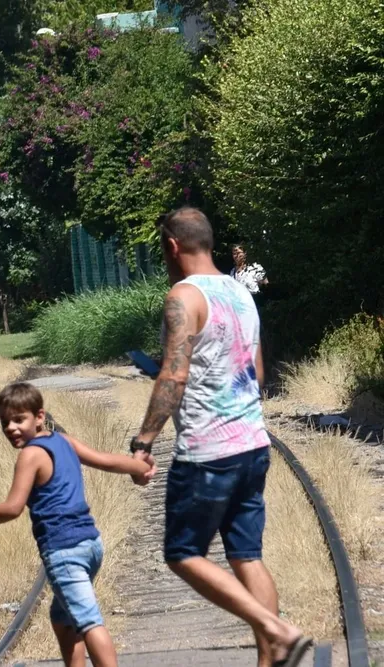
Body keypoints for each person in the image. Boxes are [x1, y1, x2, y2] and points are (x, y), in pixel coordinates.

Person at [129, 207, 311, 667]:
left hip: (208, 453)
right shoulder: (240, 292)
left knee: (182, 553)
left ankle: (276, 629)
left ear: (172, 246)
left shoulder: (183, 297)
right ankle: (272, 659)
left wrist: (144, 440)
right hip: (252, 443)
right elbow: (257, 372)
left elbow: (174, 376)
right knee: (246, 556)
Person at [0, 382, 152, 667]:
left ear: (39, 417)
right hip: (91, 545)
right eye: (5, 422)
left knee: (88, 621)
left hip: (64, 551)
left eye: (19, 419)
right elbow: (105, 460)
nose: (11, 428)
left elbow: (13, 507)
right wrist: (141, 467)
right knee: (62, 619)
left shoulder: (30, 455)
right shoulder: (63, 441)